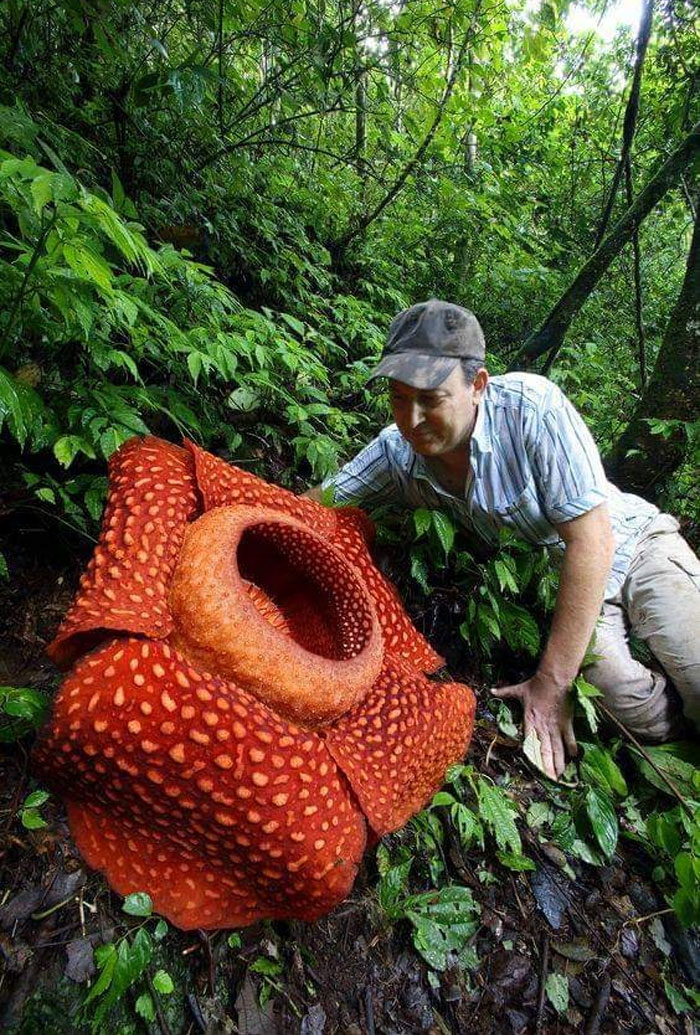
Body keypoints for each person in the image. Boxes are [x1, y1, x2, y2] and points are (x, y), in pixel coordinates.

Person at [304, 299, 700, 778]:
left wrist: (551, 684)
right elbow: (311, 506)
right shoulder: (396, 454)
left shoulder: (532, 409)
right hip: (565, 590)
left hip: (635, 546)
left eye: (430, 398)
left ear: (478, 385)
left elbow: (592, 541)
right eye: (398, 397)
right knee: (624, 699)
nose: (411, 419)